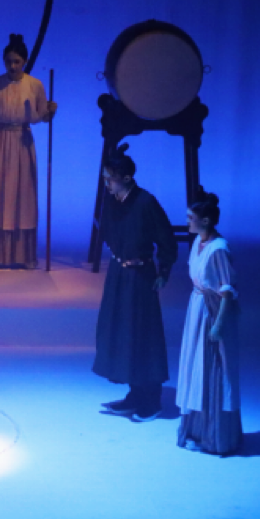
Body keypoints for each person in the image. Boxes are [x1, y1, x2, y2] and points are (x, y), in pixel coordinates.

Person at [93, 143, 178, 422]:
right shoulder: (111, 202)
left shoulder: (146, 202)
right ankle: (135, 393)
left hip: (140, 276)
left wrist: (163, 270)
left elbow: (166, 238)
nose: (107, 183)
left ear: (127, 178)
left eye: (110, 178)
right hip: (119, 274)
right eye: (105, 178)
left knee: (143, 334)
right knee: (121, 331)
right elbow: (107, 230)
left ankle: (151, 399)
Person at [0, 33, 57, 269]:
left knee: (22, 196)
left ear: (24, 61)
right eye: (8, 61)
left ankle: (24, 256)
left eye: (17, 62)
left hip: (22, 143)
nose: (12, 66)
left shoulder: (35, 85)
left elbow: (42, 116)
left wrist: (51, 111)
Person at [176, 191, 243, 455]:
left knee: (212, 366)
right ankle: (196, 428)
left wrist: (218, 324)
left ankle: (216, 435)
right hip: (197, 306)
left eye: (190, 217)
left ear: (204, 221)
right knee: (195, 365)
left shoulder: (218, 249)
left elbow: (227, 291)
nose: (187, 222)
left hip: (212, 311)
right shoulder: (198, 242)